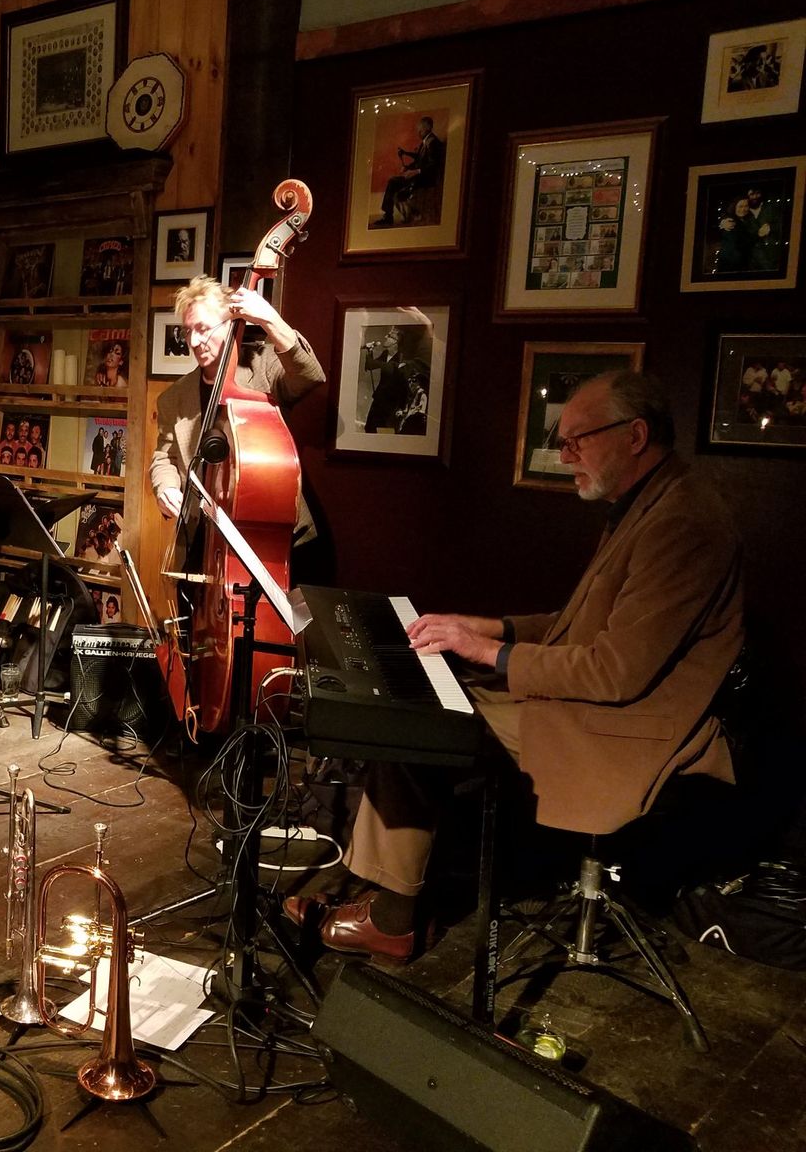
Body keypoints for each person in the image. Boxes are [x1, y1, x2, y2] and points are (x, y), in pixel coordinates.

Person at [290, 371, 745, 962]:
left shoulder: (682, 523)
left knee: (418, 731)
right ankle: (394, 894)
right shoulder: (650, 504)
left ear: (635, 436)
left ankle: (394, 919)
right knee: (416, 711)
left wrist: (486, 652)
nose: (564, 455)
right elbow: (581, 624)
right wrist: (489, 629)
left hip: (629, 733)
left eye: (577, 440)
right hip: (596, 706)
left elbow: (615, 672)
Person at [151, 275, 325, 538]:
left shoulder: (263, 366)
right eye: (188, 331)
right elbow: (165, 456)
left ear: (230, 323)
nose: (194, 342)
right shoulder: (173, 398)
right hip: (205, 536)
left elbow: (309, 375)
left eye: (203, 328)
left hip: (271, 529)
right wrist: (166, 487)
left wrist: (270, 320)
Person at [378, 115, 443, 226]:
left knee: (393, 182)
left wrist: (416, 171)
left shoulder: (432, 142)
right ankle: (388, 215)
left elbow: (434, 165)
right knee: (393, 181)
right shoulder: (426, 142)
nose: (418, 132)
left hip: (425, 178)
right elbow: (419, 159)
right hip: (419, 176)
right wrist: (407, 167)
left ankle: (389, 216)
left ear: (428, 127)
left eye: (421, 129)